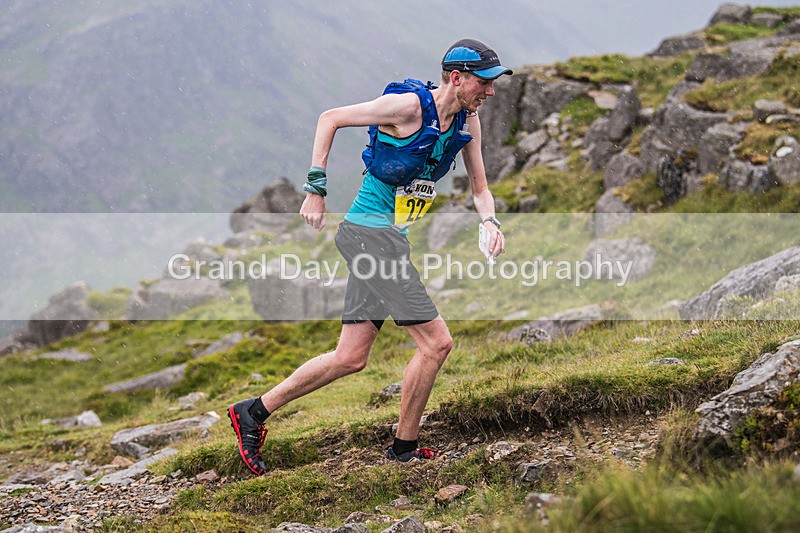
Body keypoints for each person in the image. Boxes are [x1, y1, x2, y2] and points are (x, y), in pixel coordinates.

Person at [228, 39, 511, 475]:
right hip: (368, 237)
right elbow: (331, 118)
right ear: (457, 78)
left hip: (387, 239)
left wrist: (489, 222)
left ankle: (253, 412)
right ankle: (404, 447)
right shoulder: (407, 108)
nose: (490, 92)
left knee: (350, 357)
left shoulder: (468, 123)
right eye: (484, 82)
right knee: (437, 343)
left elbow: (479, 187)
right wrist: (316, 188)